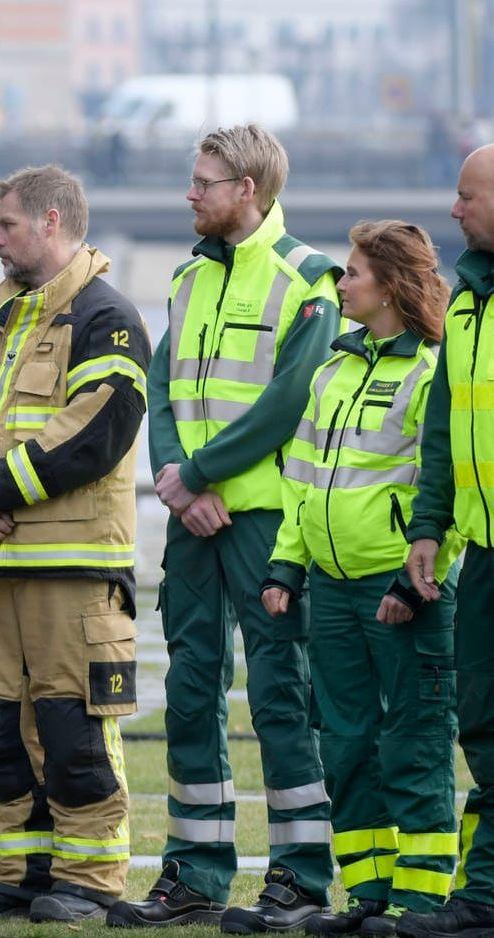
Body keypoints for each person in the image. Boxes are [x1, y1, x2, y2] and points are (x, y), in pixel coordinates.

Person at [107, 124, 343, 932]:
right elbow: (164, 382)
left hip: (268, 523)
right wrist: (177, 482)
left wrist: (199, 474)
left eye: (203, 181)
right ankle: (194, 873)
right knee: (187, 692)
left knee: (280, 696)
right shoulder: (186, 277)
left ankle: (300, 877)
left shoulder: (308, 279)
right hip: (194, 521)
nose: (190, 193)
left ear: (246, 189)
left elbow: (291, 399)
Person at [0, 165, 148, 922]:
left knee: (73, 730)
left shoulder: (105, 318)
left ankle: (88, 881)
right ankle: (22, 872)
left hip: (73, 567)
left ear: (51, 222)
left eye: (8, 227)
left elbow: (96, 429)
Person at [257, 221, 460, 937]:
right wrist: (286, 564)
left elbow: (451, 487)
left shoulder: (433, 371)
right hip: (334, 591)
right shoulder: (331, 371)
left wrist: (417, 580)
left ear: (390, 287)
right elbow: (300, 482)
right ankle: (368, 895)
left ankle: (423, 900)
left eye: (351, 274)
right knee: (344, 746)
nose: (340, 284)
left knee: (413, 743)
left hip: (402, 589)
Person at [400, 143, 494, 938]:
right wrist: (429, 526)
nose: (453, 210)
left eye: (467, 196)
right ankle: (485, 896)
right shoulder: (465, 301)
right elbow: (442, 427)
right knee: (483, 720)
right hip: (486, 553)